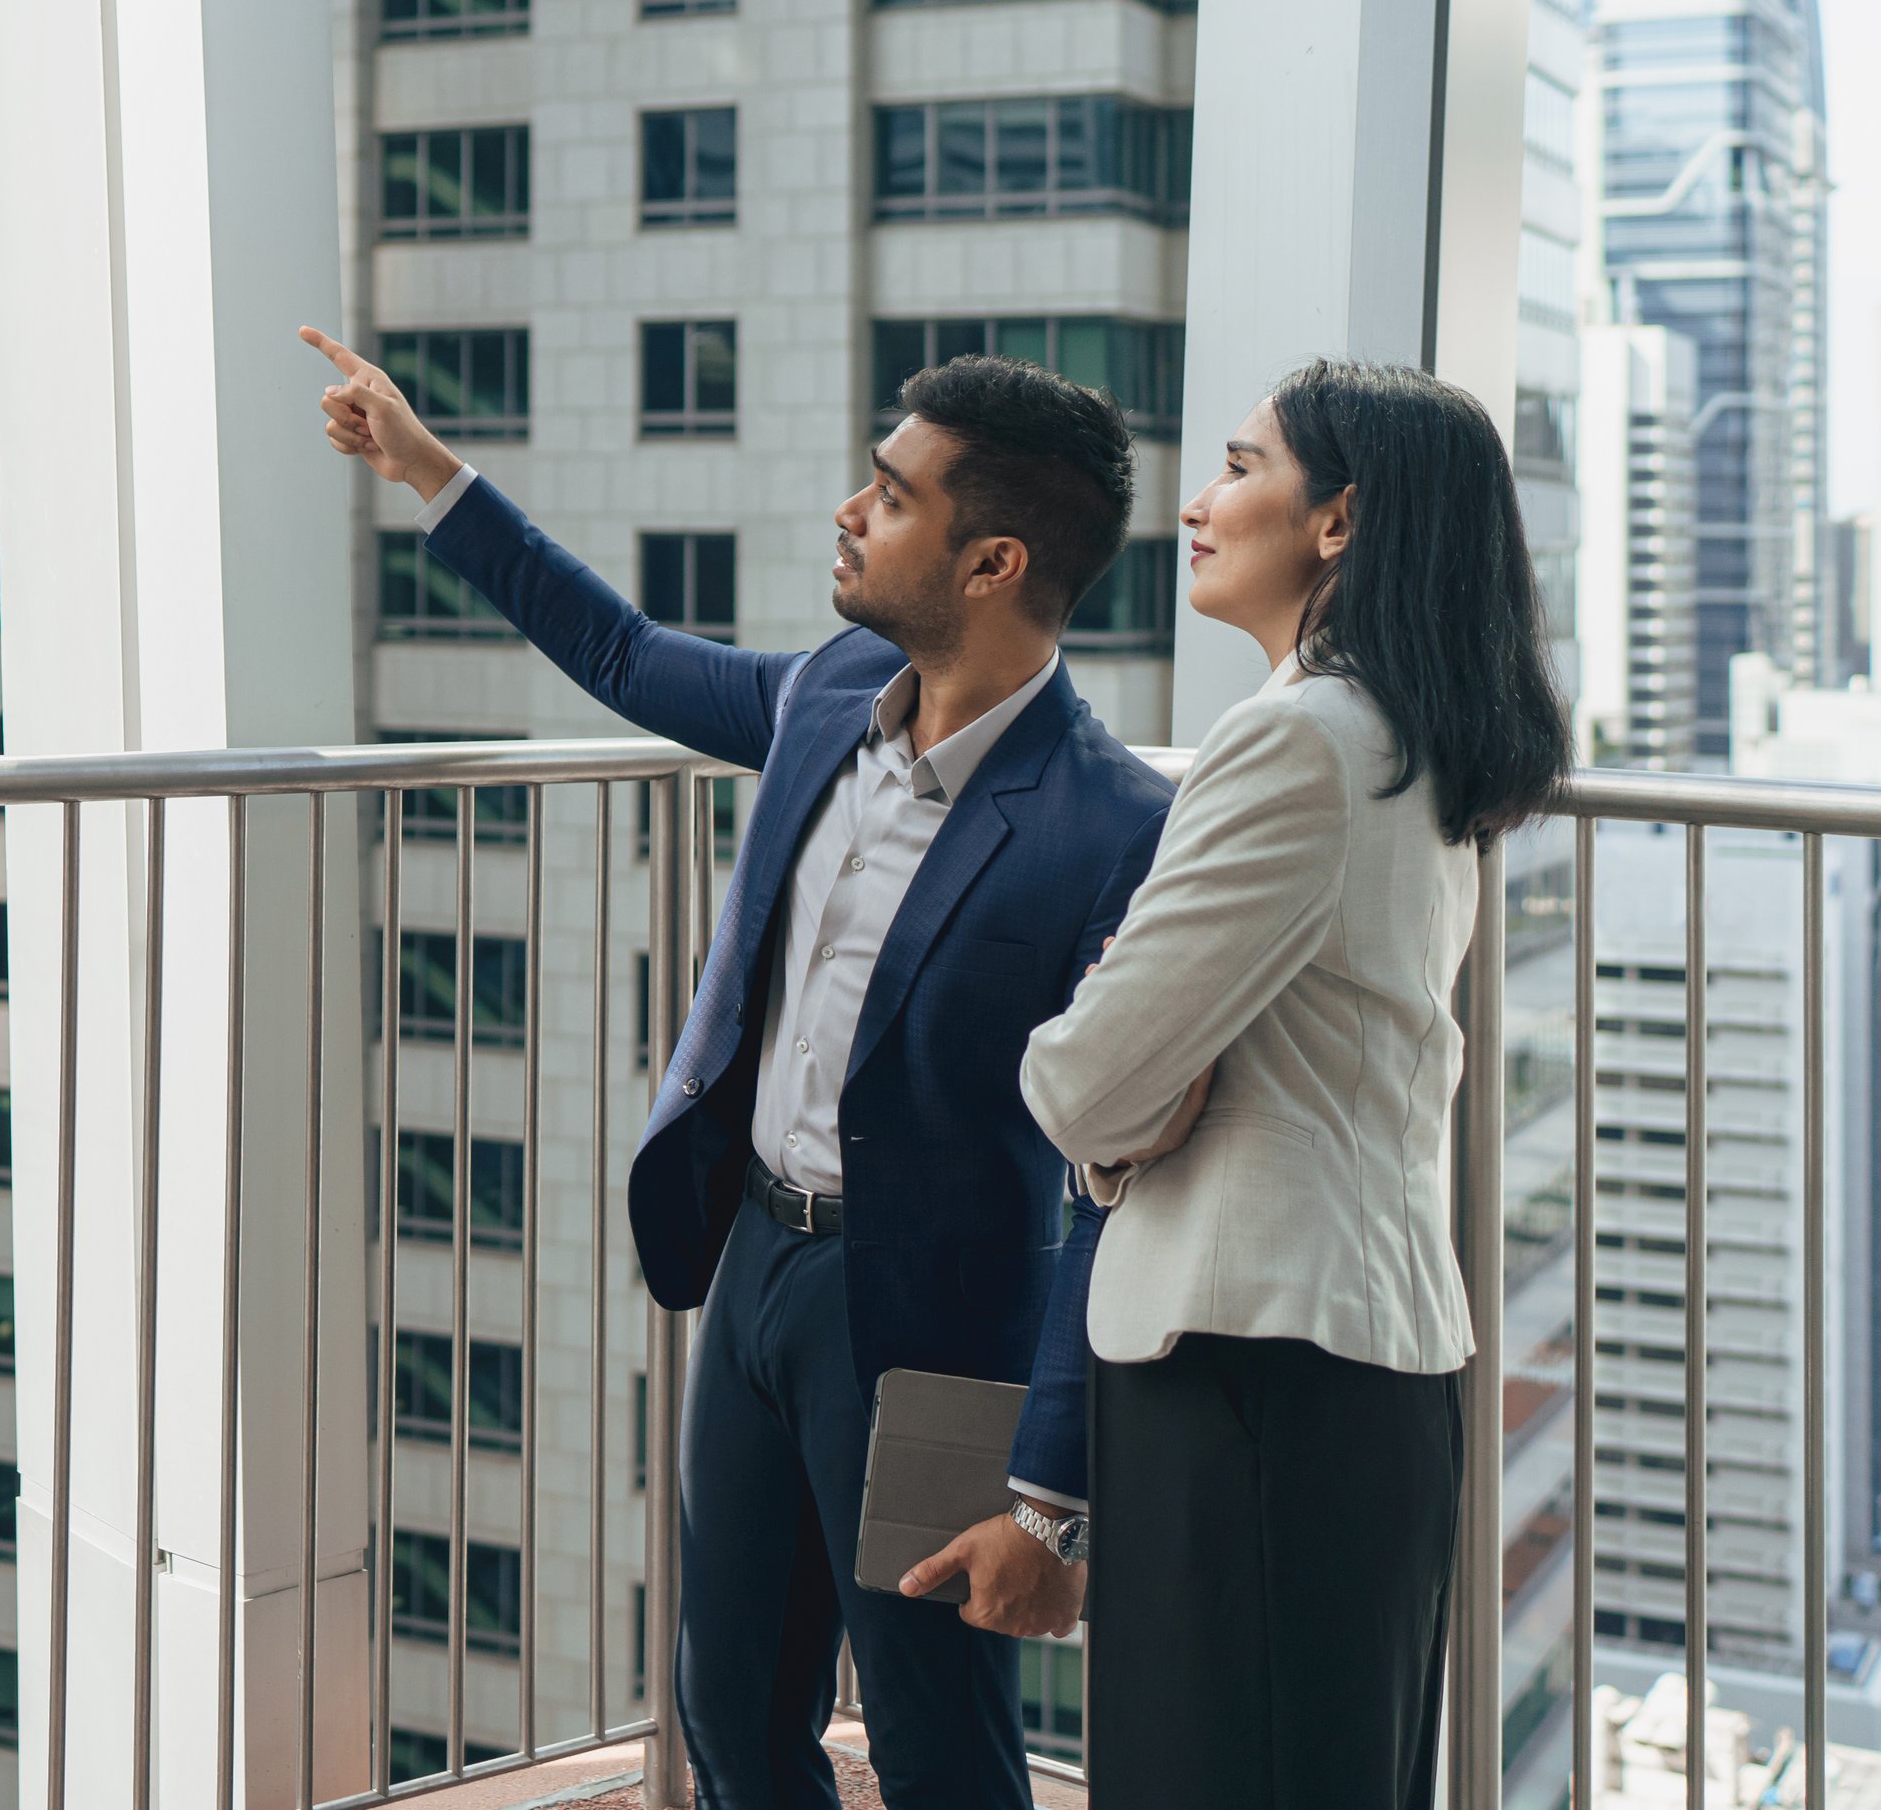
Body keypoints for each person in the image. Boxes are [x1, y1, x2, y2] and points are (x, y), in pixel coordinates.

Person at [305, 327, 1173, 1810]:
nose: (851, 510)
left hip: (924, 1328)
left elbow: (1119, 1184)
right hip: (760, 1259)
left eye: (891, 495)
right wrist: (424, 469)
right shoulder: (832, 691)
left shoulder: (1113, 827)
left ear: (993, 562)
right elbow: (627, 653)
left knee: (934, 1726)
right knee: (730, 1702)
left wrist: (1058, 1483)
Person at [1018, 363, 1566, 1809]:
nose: (1198, 503)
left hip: (1248, 1365)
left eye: (1240, 467)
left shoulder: (1295, 740)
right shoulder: (1410, 733)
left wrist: (1116, 1125)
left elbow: (1083, 1082)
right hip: (1350, 1365)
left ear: (1338, 520)